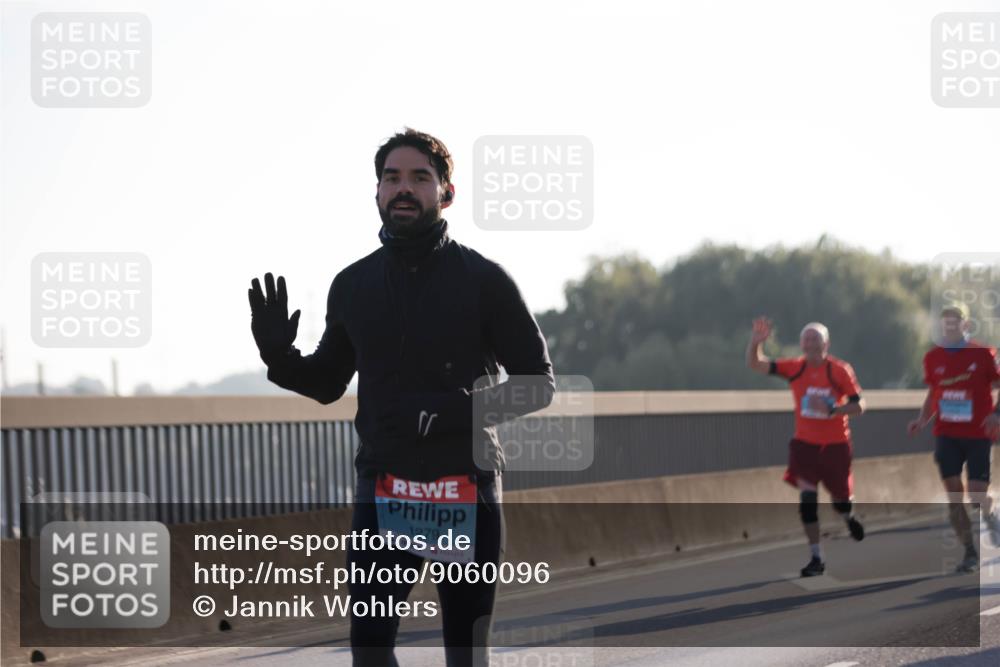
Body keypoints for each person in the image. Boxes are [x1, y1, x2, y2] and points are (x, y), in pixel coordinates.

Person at [248, 128, 555, 666]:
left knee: (466, 654)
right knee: (368, 652)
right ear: (377, 193)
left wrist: (446, 413)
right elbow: (328, 384)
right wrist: (280, 358)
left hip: (465, 487)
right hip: (385, 488)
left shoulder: (484, 279)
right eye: (392, 178)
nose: (404, 189)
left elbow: (538, 383)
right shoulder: (352, 284)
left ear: (446, 193)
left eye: (420, 178)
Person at [747, 317, 866, 577]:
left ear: (826, 344)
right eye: (807, 339)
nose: (811, 344)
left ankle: (849, 516)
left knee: (841, 503)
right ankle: (816, 557)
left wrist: (835, 409)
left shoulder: (839, 370)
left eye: (816, 339)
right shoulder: (795, 368)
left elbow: (859, 405)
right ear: (801, 344)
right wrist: (755, 343)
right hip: (805, 445)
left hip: (836, 445)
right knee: (807, 502)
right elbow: (756, 364)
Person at [907, 302, 1000, 573]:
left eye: (955, 321)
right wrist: (922, 419)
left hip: (978, 433)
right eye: (945, 321)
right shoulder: (933, 357)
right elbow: (934, 393)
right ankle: (970, 552)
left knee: (977, 493)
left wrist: (996, 413)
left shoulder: (983, 354)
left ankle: (990, 516)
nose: (950, 326)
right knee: (953, 494)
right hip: (947, 433)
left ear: (966, 325)